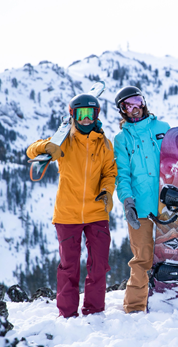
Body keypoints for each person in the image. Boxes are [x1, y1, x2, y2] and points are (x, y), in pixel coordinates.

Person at [26, 94, 117, 318]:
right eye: (81, 114)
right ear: (73, 115)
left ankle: (94, 311)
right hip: (67, 213)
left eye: (90, 114)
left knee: (99, 265)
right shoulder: (64, 139)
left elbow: (110, 173)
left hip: (97, 212)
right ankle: (67, 313)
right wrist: (47, 145)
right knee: (69, 267)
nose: (86, 119)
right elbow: (32, 150)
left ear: (97, 115)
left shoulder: (104, 143)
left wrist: (107, 191)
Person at [113, 85, 178, 313]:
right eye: (127, 106)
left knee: (174, 252)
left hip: (167, 203)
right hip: (140, 206)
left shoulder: (163, 128)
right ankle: (134, 306)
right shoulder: (121, 139)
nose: (134, 108)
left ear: (143, 102)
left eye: (136, 102)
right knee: (142, 257)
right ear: (122, 111)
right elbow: (122, 174)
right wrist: (127, 201)